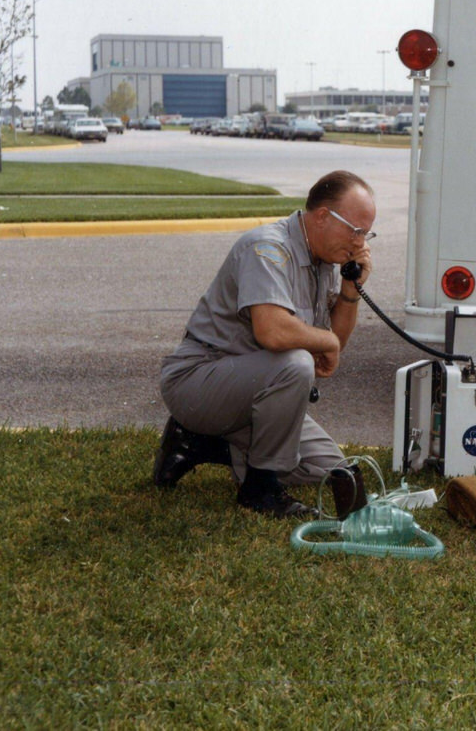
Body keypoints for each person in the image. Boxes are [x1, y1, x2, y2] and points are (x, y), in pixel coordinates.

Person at [153, 170, 375, 518]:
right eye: (356, 230)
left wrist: (350, 293)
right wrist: (327, 340)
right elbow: (273, 332)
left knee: (332, 470)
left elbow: (330, 352)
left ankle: (198, 442)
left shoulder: (328, 261)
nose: (361, 243)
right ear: (322, 217)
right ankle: (260, 489)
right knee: (296, 364)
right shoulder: (267, 248)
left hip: (254, 390)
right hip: (198, 380)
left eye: (366, 233)